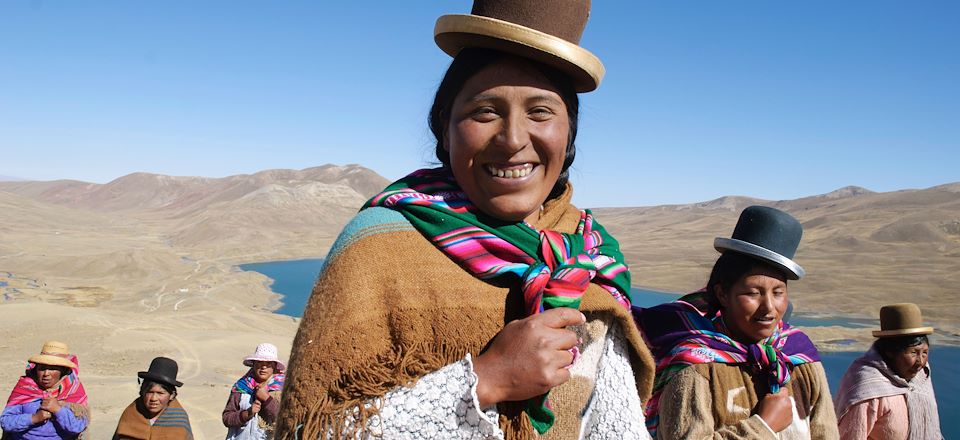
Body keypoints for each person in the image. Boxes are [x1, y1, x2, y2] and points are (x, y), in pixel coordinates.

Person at [274, 1, 656, 438]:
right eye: (484, 111)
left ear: (569, 132)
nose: (513, 140)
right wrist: (487, 380)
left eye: (540, 112)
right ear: (445, 128)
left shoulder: (593, 257)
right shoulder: (379, 248)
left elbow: (616, 423)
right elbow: (311, 430)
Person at [634, 206, 839, 439]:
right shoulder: (696, 366)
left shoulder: (800, 356)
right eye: (753, 293)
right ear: (722, 294)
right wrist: (763, 427)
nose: (769, 307)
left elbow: (826, 433)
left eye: (778, 293)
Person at [834, 303, 943, 439]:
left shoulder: (922, 377)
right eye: (913, 353)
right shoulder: (867, 388)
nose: (920, 362)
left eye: (925, 352)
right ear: (890, 352)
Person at [1, 341, 89, 440]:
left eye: (53, 368)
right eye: (42, 368)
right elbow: (5, 422)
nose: (46, 373)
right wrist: (34, 418)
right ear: (36, 369)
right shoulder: (25, 388)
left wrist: (58, 410)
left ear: (63, 371)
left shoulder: (73, 391)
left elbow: (78, 426)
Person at [113, 357, 193, 440]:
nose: (154, 398)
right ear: (142, 392)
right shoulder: (130, 414)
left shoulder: (179, 421)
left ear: (172, 395)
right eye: (150, 392)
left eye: (160, 393)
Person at [223, 343, 285, 440]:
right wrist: (246, 414)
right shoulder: (241, 387)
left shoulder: (282, 390)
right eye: (260, 363)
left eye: (268, 364)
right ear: (254, 364)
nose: (263, 367)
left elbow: (284, 418)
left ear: (274, 366)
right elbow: (227, 418)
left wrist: (266, 399)